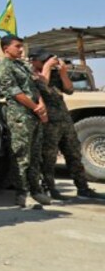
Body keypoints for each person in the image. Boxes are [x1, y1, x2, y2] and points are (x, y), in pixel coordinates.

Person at [29, 50, 105, 201]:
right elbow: (41, 88)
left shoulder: (55, 74)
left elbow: (69, 90)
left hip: (64, 120)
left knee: (74, 154)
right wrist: (46, 69)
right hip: (48, 122)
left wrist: (63, 73)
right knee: (49, 157)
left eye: (48, 60)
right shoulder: (31, 75)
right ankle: (50, 188)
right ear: (33, 61)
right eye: (43, 61)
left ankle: (83, 188)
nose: (47, 63)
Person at [0, 36, 52, 208]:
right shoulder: (3, 68)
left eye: (22, 46)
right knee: (21, 156)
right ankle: (22, 194)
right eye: (17, 46)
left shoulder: (23, 66)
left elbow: (35, 87)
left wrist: (41, 105)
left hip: (33, 114)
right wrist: (36, 108)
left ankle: (36, 190)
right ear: (6, 49)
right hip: (20, 115)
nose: (21, 49)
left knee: (35, 155)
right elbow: (15, 92)